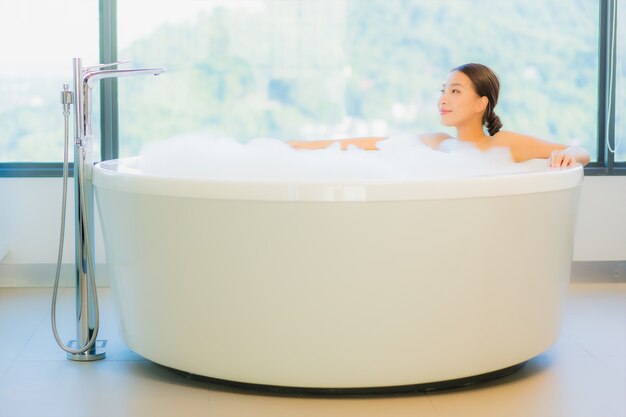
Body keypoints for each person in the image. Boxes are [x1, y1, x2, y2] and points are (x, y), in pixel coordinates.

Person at [289, 63, 590, 167]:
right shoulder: (437, 142)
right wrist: (300, 147)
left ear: (480, 103)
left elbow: (581, 151)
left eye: (455, 91)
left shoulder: (503, 144)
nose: (443, 99)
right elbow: (370, 143)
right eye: (443, 90)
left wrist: (567, 157)